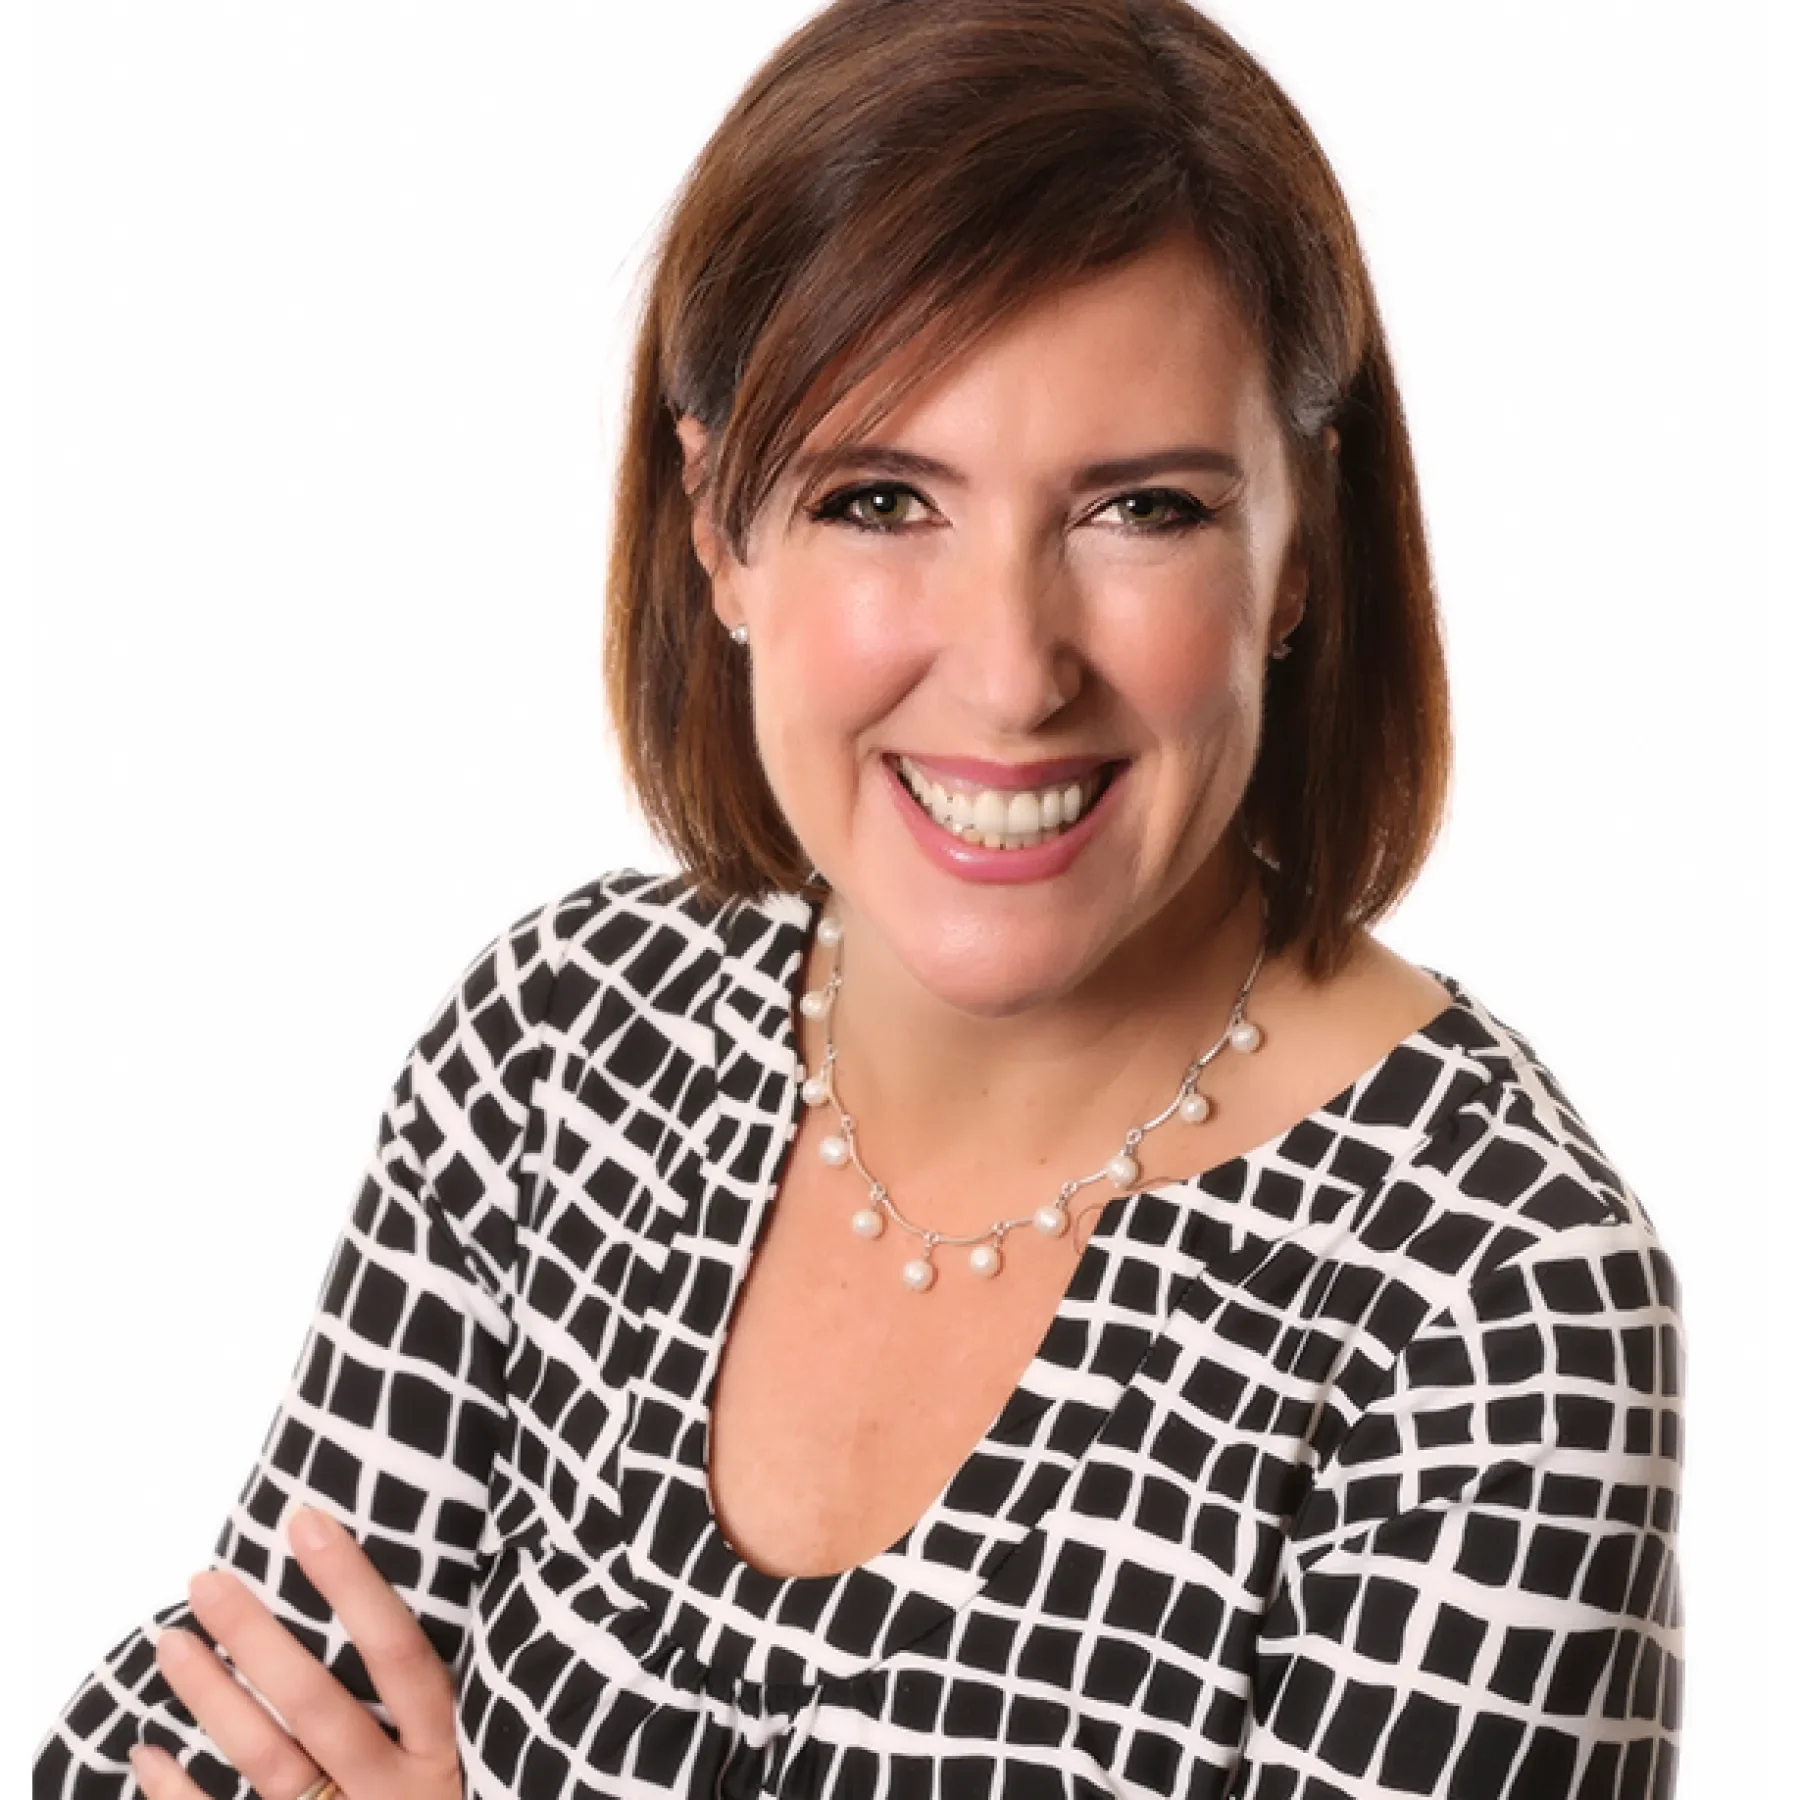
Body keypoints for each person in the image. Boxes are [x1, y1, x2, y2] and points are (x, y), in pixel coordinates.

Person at [36, 0, 1683, 1795]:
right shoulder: (566, 1048)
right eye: (883, 497)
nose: (1009, 672)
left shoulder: (1490, 1308)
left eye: (1139, 509)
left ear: (1299, 557)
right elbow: (188, 1742)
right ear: (718, 527)